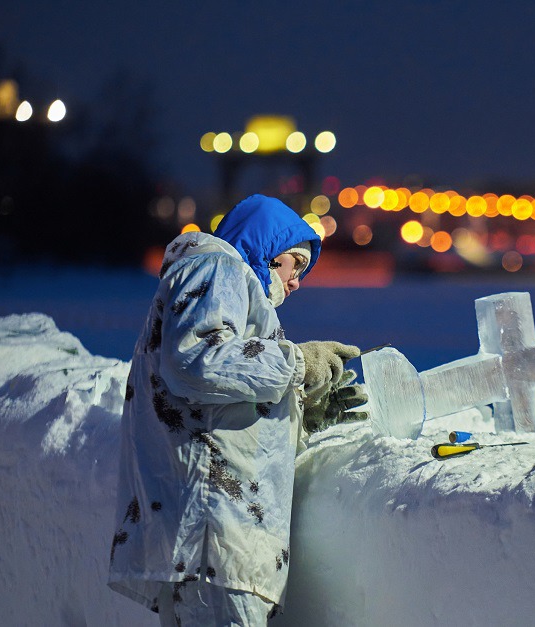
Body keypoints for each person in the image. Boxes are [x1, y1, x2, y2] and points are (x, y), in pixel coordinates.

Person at [108, 194, 366, 625]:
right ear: (262, 248)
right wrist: (298, 364)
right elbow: (196, 361)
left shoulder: (220, 284)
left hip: (208, 545)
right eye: (293, 264)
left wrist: (300, 413)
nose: (297, 281)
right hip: (212, 542)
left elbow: (217, 410)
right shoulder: (219, 266)